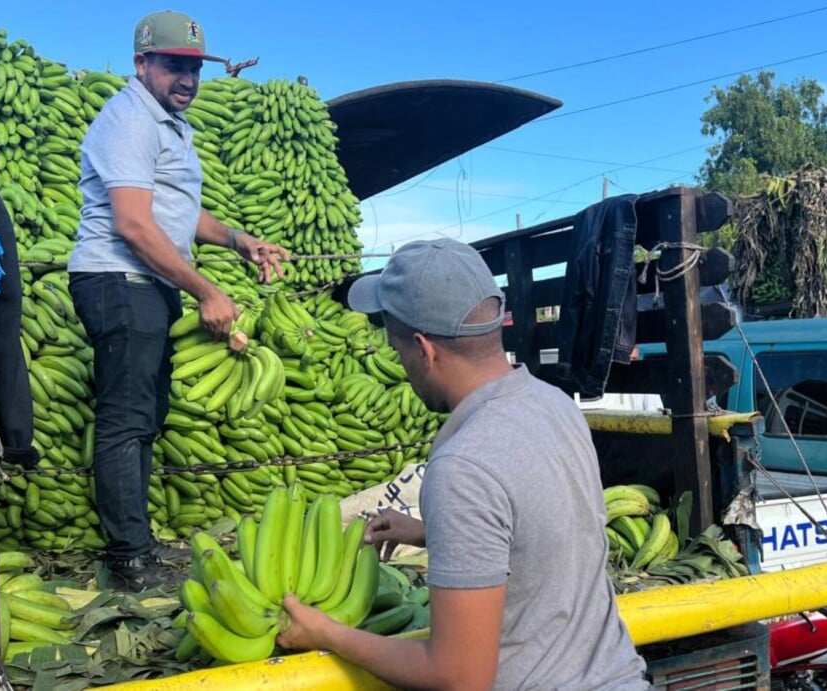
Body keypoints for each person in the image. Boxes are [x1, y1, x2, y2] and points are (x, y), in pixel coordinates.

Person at [276, 239, 649, 690]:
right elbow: (542, 529)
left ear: (424, 349)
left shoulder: (463, 466)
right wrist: (430, 530)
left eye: (396, 350)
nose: (402, 365)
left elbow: (458, 677)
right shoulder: (555, 406)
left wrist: (327, 633)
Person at [67, 10, 286, 591]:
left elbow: (180, 212)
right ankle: (127, 559)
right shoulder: (129, 120)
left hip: (146, 285)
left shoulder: (170, 124)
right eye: (173, 66)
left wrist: (240, 241)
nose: (187, 78)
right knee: (126, 420)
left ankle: (134, 545)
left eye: (194, 68)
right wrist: (207, 291)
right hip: (118, 280)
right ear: (142, 63)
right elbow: (136, 226)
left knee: (146, 418)